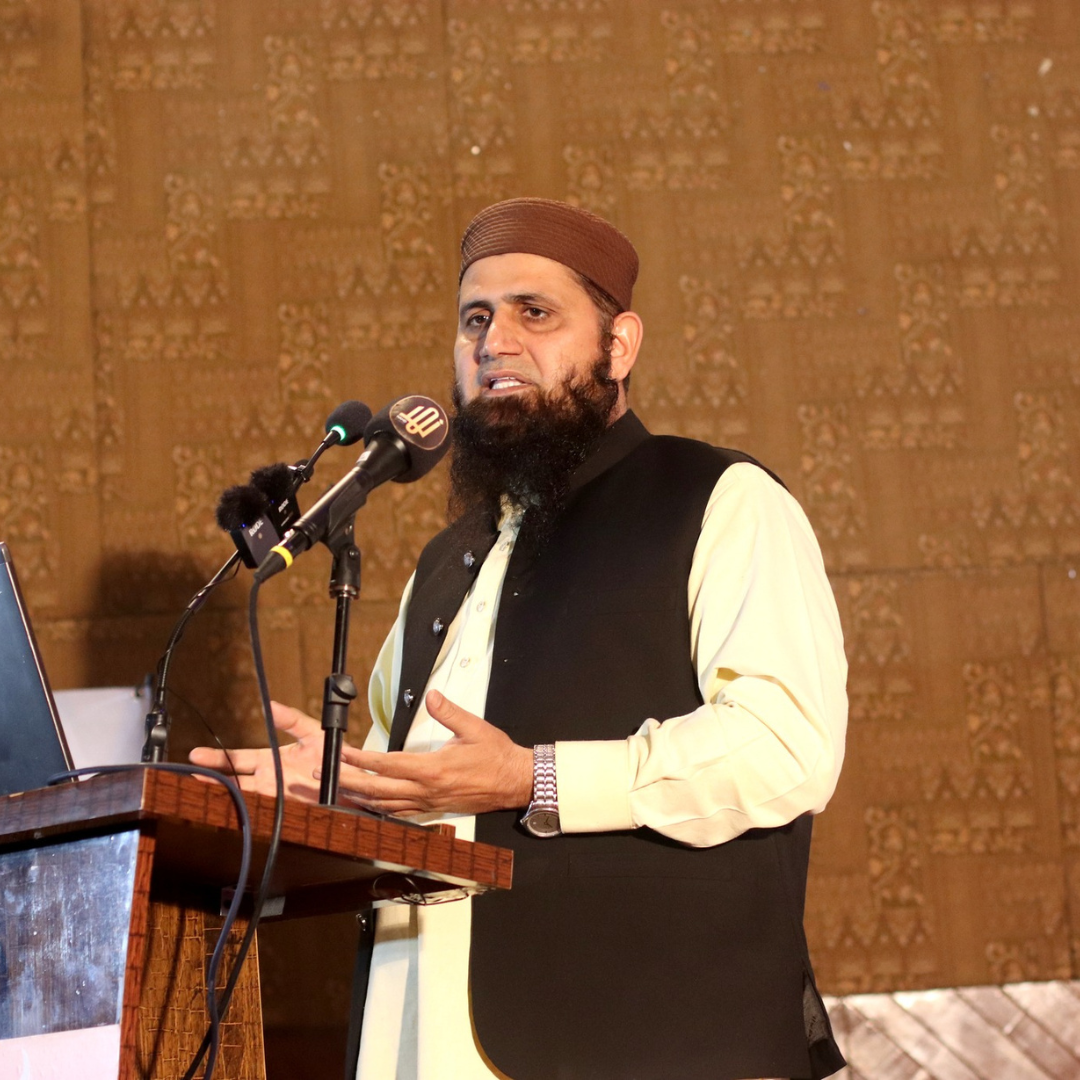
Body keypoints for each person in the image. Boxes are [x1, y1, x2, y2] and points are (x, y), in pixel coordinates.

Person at [192, 198, 848, 1080]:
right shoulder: (446, 562)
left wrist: (533, 777)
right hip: (416, 1041)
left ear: (620, 345)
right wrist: (335, 792)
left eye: (534, 313)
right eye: (475, 319)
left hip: (647, 1044)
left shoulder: (719, 500)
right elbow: (417, 790)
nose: (494, 342)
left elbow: (786, 748)